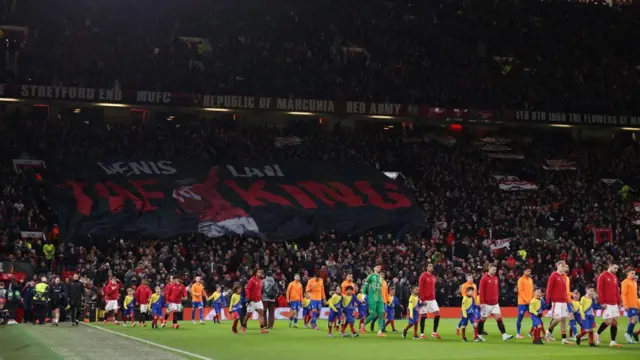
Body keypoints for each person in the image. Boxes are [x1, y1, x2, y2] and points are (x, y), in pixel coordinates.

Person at [479, 264, 514, 341]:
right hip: (486, 304)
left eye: (495, 270)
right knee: (482, 320)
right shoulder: (484, 278)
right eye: (493, 270)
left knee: (499, 319)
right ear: (489, 269)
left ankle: (504, 335)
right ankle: (478, 335)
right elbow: (481, 291)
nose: (495, 271)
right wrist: (481, 302)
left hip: (495, 304)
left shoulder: (495, 278)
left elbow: (496, 290)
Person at [545, 260, 571, 344]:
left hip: (564, 301)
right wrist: (548, 300)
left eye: (564, 266)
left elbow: (564, 290)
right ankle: (548, 331)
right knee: (557, 319)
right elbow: (549, 288)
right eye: (562, 266)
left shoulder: (563, 276)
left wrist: (567, 300)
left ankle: (564, 339)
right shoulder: (553, 276)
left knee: (564, 319)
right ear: (558, 266)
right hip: (556, 301)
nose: (563, 268)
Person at [596, 263, 622, 347]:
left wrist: (619, 302)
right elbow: (599, 290)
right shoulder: (603, 276)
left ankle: (613, 341)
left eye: (617, 268)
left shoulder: (614, 277)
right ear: (610, 266)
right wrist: (602, 302)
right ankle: (597, 333)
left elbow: (616, 291)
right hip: (606, 303)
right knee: (608, 321)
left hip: (614, 303)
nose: (616, 270)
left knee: (614, 321)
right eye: (615, 268)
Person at [361, 264, 386, 337]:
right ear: (374, 268)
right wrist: (363, 297)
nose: (379, 268)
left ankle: (379, 331)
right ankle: (363, 324)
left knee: (381, 313)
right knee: (373, 315)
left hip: (380, 298)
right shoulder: (370, 276)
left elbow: (381, 289)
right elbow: (365, 286)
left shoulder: (381, 278)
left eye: (380, 267)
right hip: (372, 298)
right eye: (377, 267)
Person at [418, 263, 441, 339]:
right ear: (426, 268)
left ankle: (434, 332)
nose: (431, 267)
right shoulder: (423, 276)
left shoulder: (433, 277)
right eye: (430, 266)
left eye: (432, 266)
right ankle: (421, 334)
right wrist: (422, 299)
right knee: (424, 317)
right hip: (425, 299)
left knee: (437, 314)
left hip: (432, 299)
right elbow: (421, 288)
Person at [243, 268, 268, 334]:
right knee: (248, 315)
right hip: (252, 301)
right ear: (255, 273)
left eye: (261, 272)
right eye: (259, 272)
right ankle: (244, 325)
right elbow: (247, 289)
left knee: (261, 314)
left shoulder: (260, 280)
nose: (260, 273)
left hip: (258, 300)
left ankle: (262, 328)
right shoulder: (252, 280)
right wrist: (248, 298)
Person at [621, 269, 638, 344]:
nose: (634, 274)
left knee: (630, 320)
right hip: (629, 304)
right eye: (632, 273)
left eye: (634, 273)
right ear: (627, 273)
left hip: (634, 304)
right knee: (635, 319)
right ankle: (627, 334)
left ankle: (629, 339)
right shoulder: (625, 282)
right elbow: (624, 294)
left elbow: (635, 294)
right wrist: (625, 304)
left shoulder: (634, 282)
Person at [516, 269, 534, 339]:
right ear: (524, 271)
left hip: (530, 302)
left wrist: (532, 299)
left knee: (534, 317)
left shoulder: (530, 280)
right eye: (527, 271)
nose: (529, 272)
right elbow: (521, 291)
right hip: (522, 303)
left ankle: (531, 332)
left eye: (530, 271)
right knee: (520, 317)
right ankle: (518, 333)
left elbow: (532, 291)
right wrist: (527, 300)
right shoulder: (520, 280)